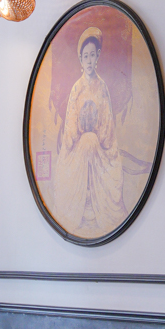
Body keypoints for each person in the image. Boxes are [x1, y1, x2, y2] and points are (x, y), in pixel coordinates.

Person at [53, 27, 126, 236]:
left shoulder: (102, 88)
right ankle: (81, 203)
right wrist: (75, 139)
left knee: (92, 141)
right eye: (85, 56)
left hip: (98, 148)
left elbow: (107, 125)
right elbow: (70, 125)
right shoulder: (76, 88)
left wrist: (97, 137)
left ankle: (95, 203)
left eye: (92, 55)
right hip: (78, 147)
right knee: (86, 142)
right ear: (80, 59)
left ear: (98, 56)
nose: (89, 60)